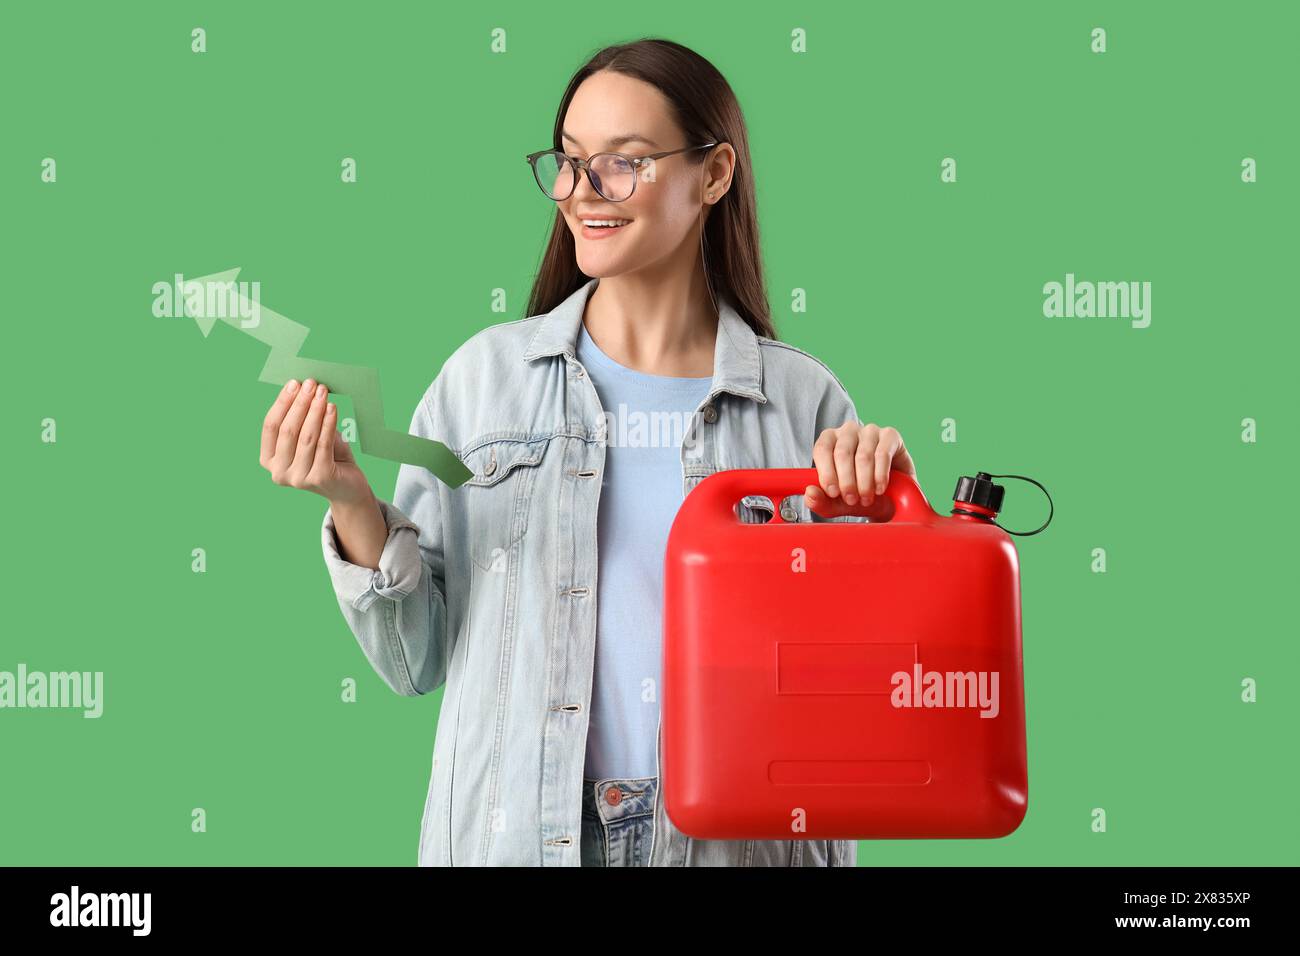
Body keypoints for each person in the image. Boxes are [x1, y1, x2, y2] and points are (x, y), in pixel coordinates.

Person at [258, 37, 918, 866]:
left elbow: (864, 696)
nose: (582, 192)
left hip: (737, 845)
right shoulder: (483, 383)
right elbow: (411, 658)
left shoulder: (804, 405)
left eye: (623, 163)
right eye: (570, 162)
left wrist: (881, 519)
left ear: (714, 176)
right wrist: (352, 503)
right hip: (517, 841)